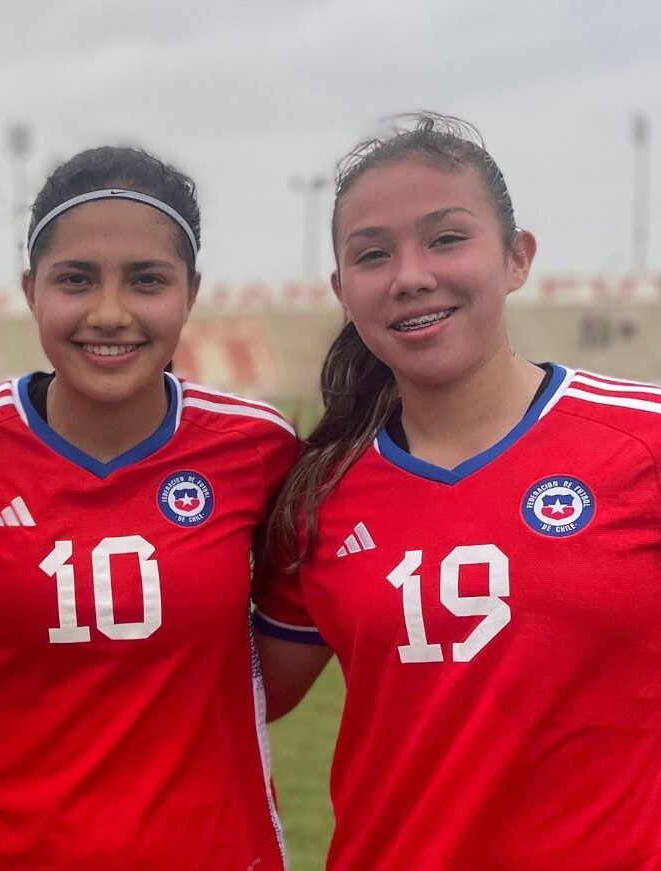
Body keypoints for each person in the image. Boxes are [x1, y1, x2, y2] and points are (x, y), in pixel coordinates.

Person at [253, 114, 661, 869]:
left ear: (516, 257)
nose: (410, 274)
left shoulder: (644, 442)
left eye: (446, 238)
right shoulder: (317, 494)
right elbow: (240, 693)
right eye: (373, 254)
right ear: (344, 290)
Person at [0, 146, 295, 869]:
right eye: (76, 279)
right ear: (31, 289)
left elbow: (283, 660)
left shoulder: (258, 449)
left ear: (192, 290)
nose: (110, 313)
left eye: (147, 280)